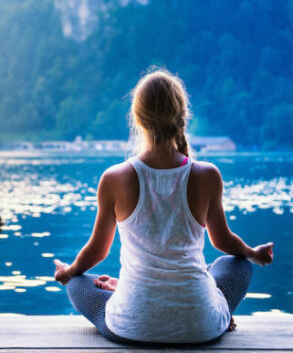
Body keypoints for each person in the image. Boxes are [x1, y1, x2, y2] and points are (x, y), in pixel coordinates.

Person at [53, 68, 274, 345]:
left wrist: (68, 271)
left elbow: (98, 251)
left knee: (77, 282)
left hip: (132, 326)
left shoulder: (114, 178)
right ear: (183, 116)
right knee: (238, 264)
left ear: (137, 118)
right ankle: (212, 313)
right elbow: (223, 241)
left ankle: (127, 294)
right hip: (200, 328)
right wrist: (252, 253)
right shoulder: (207, 175)